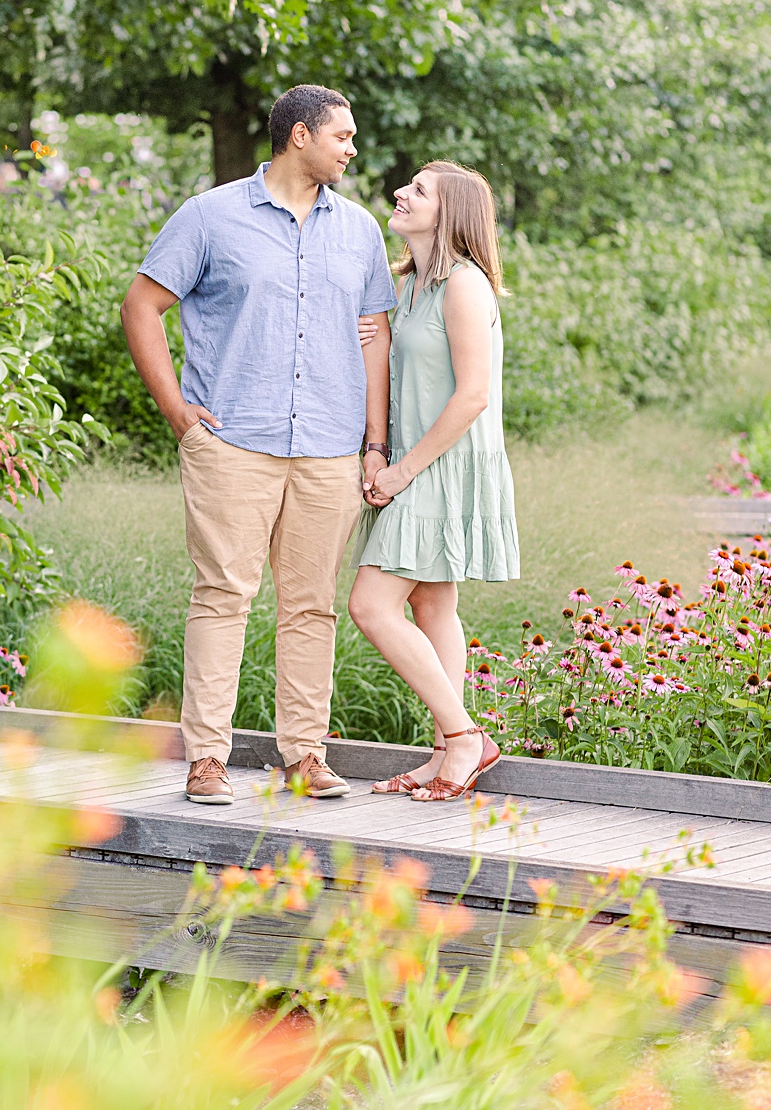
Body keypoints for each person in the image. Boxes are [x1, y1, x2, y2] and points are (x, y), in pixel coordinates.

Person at [120, 85, 395, 805]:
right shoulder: (211, 218)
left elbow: (376, 340)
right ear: (299, 136)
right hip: (233, 442)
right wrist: (179, 415)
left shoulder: (360, 230)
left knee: (312, 605)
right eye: (343, 136)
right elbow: (142, 306)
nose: (352, 148)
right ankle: (205, 758)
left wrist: (375, 443)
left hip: (331, 446)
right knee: (222, 596)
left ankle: (305, 755)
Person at [350, 160, 520, 802]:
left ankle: (466, 737)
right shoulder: (411, 285)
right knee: (432, 604)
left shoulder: (465, 286)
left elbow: (472, 395)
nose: (401, 192)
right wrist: (376, 450)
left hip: (441, 466)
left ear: (449, 214)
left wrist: (400, 471)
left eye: (419, 190)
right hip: (410, 462)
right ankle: (447, 753)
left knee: (371, 605)